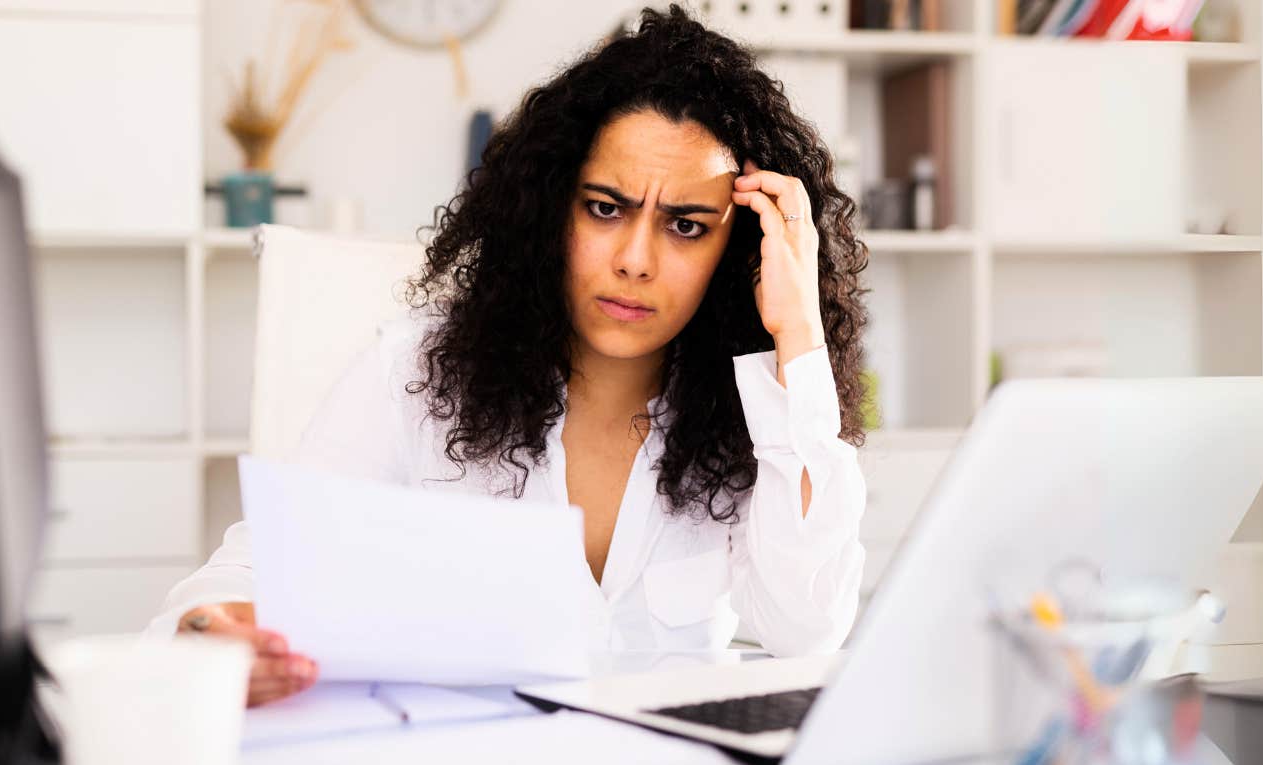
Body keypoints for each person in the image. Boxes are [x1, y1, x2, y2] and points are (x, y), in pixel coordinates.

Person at [147, 4, 870, 708]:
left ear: (736, 246)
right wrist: (214, 633)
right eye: (605, 208)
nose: (636, 260)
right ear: (552, 207)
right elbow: (246, 577)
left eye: (686, 225)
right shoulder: (416, 377)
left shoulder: (755, 410)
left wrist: (798, 338)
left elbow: (806, 631)